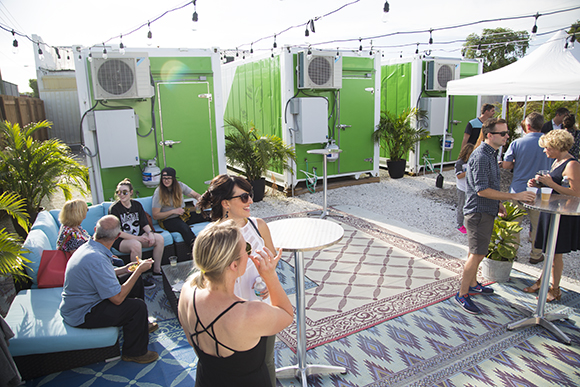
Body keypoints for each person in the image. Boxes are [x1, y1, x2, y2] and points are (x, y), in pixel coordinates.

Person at [178, 220, 293, 387]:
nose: (250, 253)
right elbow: (287, 315)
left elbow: (191, 340)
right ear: (233, 265)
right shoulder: (249, 313)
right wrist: (270, 276)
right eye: (246, 248)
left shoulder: (187, 290)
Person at [199, 174, 277, 386]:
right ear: (225, 203)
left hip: (262, 305)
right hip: (231, 314)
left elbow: (271, 262)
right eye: (243, 197)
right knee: (236, 368)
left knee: (266, 362)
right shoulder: (213, 237)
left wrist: (267, 280)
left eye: (249, 195)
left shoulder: (258, 225)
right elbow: (206, 280)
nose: (250, 201)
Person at [455, 118, 535, 315]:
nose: (507, 136)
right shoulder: (482, 156)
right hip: (478, 213)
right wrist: (513, 196)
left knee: (476, 252)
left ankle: (473, 284)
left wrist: (498, 203)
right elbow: (482, 190)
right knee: (477, 254)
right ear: (490, 135)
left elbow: (488, 185)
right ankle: (462, 294)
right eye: (503, 133)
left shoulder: (491, 153)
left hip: (485, 210)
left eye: (507, 133)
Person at [60, 215, 159, 364]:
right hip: (83, 312)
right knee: (137, 307)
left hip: (88, 299)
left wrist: (125, 269)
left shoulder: (91, 247)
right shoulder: (96, 258)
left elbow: (100, 275)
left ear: (95, 230)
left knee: (133, 278)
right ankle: (134, 353)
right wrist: (139, 270)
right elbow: (117, 299)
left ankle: (141, 325)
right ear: (118, 235)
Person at [525, 129, 580, 302]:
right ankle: (542, 281)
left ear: (557, 146)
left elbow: (576, 192)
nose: (544, 150)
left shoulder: (572, 164)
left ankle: (555, 289)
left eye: (547, 147)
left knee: (556, 254)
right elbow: (556, 186)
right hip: (551, 210)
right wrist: (539, 184)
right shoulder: (557, 162)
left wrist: (549, 182)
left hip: (562, 215)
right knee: (548, 251)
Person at [500, 112, 552, 264]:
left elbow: (507, 165)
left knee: (514, 224)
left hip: (518, 189)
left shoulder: (517, 143)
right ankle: (536, 254)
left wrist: (519, 162)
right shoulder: (549, 144)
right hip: (541, 191)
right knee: (537, 225)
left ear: (527, 126)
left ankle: (511, 252)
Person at [109, 178, 164, 288]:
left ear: (131, 192)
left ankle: (157, 270)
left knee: (159, 239)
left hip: (138, 237)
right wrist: (138, 238)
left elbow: (144, 223)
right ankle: (137, 278)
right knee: (135, 244)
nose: (121, 195)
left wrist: (150, 234)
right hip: (121, 240)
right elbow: (118, 232)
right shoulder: (114, 209)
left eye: (124, 192)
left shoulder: (137, 205)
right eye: (119, 192)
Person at [152, 167, 207, 252]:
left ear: (173, 179)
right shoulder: (159, 192)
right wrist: (174, 211)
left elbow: (195, 195)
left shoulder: (180, 186)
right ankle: (199, 251)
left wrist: (199, 201)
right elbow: (155, 215)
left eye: (168, 178)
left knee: (208, 215)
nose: (166, 181)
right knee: (184, 228)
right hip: (168, 220)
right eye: (164, 178)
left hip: (182, 215)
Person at [455, 143, 474, 234]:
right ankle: (459, 224)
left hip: (470, 188)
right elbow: (459, 176)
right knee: (461, 206)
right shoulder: (460, 163)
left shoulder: (472, 162)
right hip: (462, 188)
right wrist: (469, 170)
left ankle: (468, 224)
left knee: (470, 207)